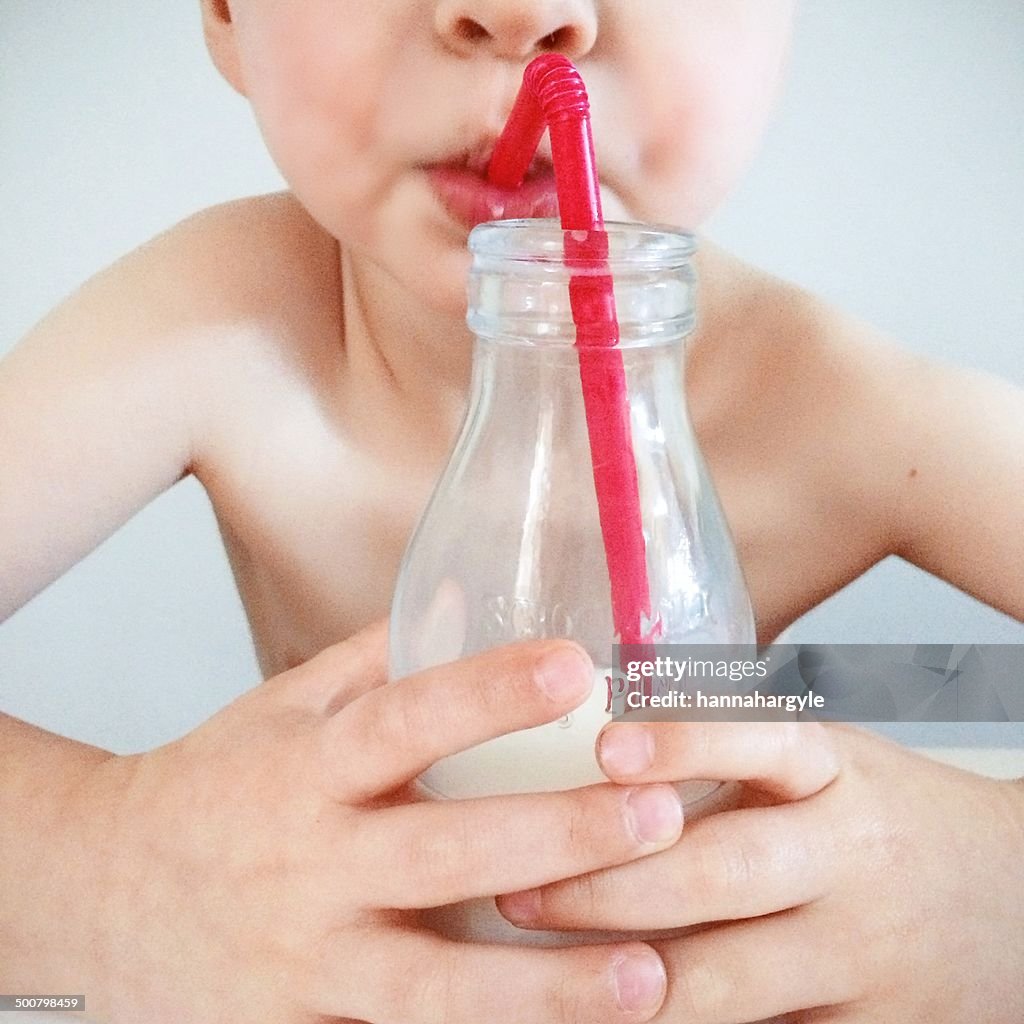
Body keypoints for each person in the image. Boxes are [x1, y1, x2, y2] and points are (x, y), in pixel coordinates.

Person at [1, 1, 1022, 1021]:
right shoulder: (215, 324)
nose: (525, 14)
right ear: (226, 11)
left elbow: (962, 689)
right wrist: (111, 867)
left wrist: (985, 885)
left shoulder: (842, 411)